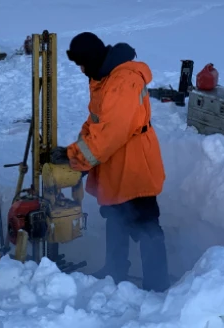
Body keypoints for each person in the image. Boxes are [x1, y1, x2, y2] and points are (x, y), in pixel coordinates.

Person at [54, 31, 170, 292]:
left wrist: (76, 157)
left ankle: (158, 284)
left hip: (134, 162)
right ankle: (115, 270)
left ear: (93, 59)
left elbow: (110, 134)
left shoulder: (122, 82)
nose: (82, 70)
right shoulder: (103, 78)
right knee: (116, 217)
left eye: (82, 63)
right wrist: (75, 152)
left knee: (145, 223)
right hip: (116, 162)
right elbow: (95, 122)